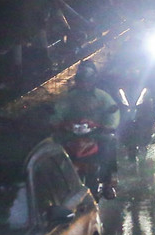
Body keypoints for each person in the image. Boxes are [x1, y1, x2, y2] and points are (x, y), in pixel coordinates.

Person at [52, 61, 122, 198]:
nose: (84, 84)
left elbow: (113, 114)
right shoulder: (69, 98)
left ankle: (108, 181)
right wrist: (60, 124)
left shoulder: (103, 97)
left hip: (96, 134)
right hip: (72, 134)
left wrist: (101, 126)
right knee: (55, 145)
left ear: (93, 81)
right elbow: (57, 113)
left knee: (110, 142)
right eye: (81, 81)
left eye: (87, 81)